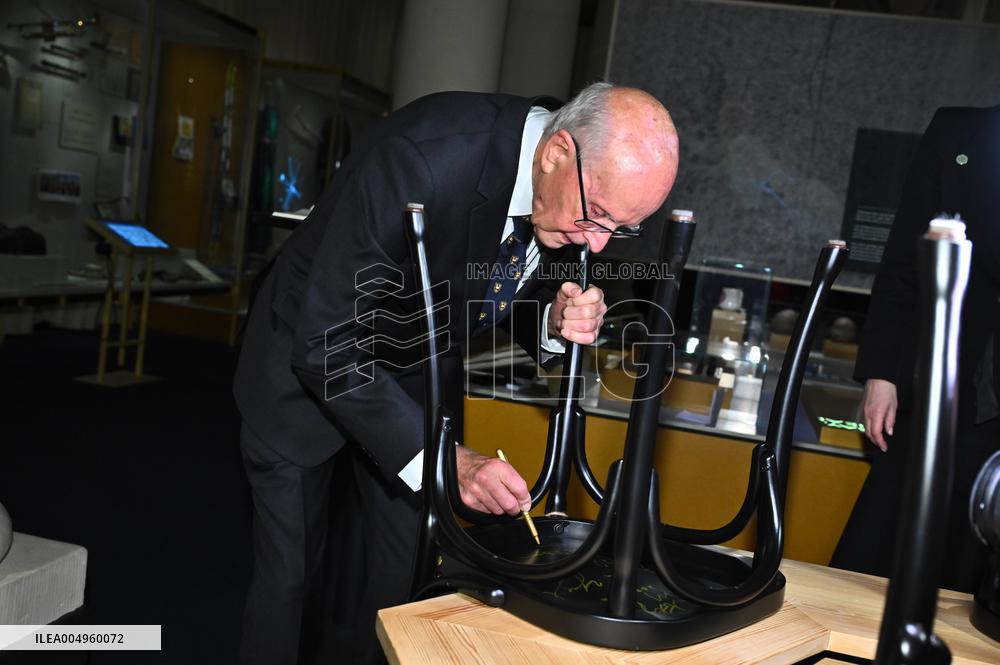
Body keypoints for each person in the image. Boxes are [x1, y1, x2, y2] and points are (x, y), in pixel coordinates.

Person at [233, 82, 679, 664]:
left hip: (414, 377)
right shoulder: (424, 155)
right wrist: (448, 460)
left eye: (620, 229)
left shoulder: (570, 195)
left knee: (408, 584)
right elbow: (328, 340)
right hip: (306, 361)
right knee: (289, 582)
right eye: (596, 216)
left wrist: (552, 314)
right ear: (555, 152)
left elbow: (491, 275)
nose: (596, 242)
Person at [831, 104, 1000, 593]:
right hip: (939, 375)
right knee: (888, 549)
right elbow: (905, 256)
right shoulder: (961, 131)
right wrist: (882, 374)